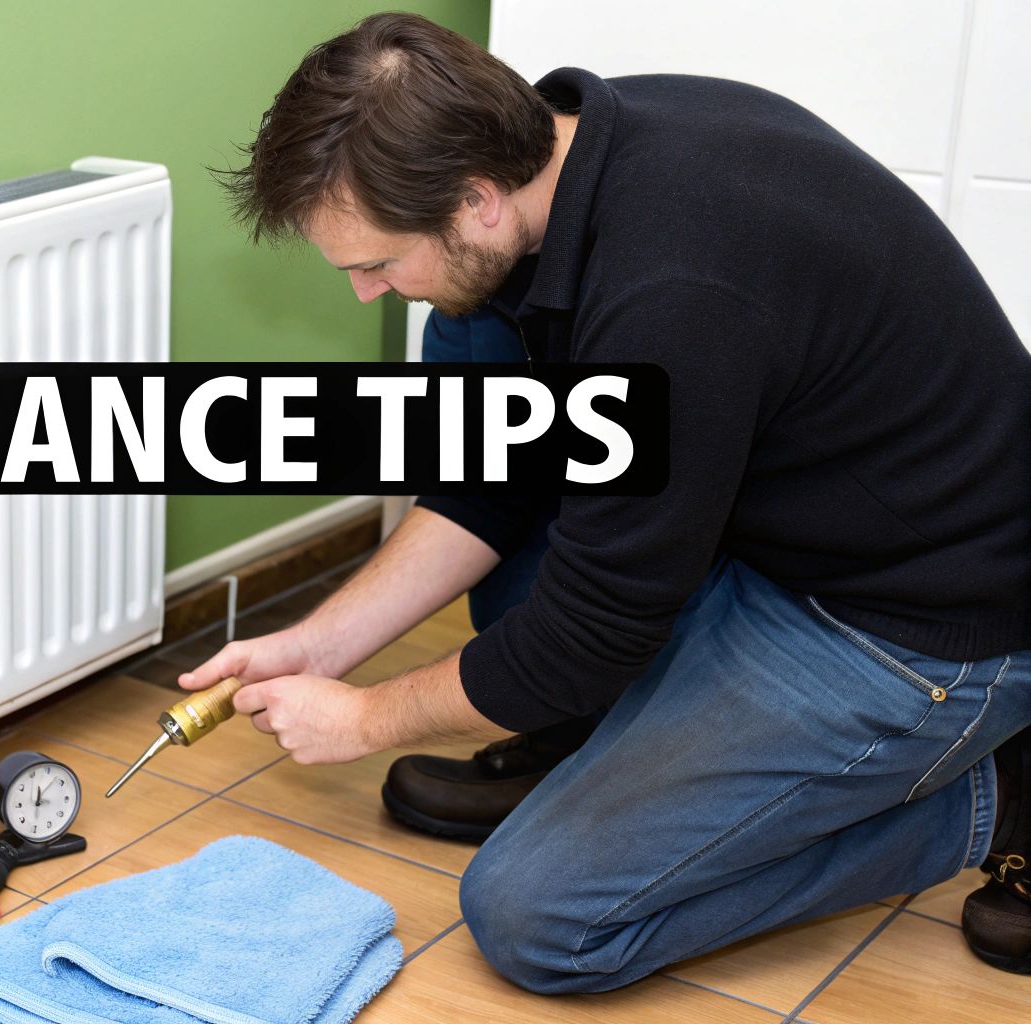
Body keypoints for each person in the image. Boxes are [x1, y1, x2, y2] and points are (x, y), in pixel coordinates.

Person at [182, 11, 1031, 989]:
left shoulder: (669, 293)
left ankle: (992, 792)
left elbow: (588, 633)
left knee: (538, 916)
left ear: (476, 200)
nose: (368, 295)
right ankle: (621, 779)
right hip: (777, 538)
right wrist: (319, 645)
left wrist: (363, 719)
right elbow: (485, 485)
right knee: (515, 590)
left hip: (920, 626)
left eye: (377, 262)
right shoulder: (560, 156)